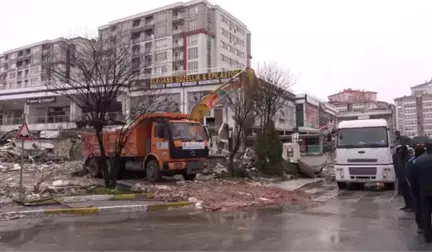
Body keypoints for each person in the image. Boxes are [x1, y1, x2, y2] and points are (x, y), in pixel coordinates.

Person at [406, 143, 426, 234]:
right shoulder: (424, 160)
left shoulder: (411, 161)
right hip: (425, 189)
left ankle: (421, 226)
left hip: (415, 189)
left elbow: (408, 176)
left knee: (418, 209)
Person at [415, 141, 432, 243]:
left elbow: (414, 178)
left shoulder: (419, 160)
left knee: (426, 214)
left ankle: (428, 236)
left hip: (424, 192)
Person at [398, 145, 414, 212]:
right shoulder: (401, 158)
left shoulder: (409, 158)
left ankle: (412, 206)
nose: (401, 152)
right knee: (404, 193)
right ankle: (407, 205)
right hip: (402, 178)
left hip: (407, 179)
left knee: (409, 193)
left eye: (402, 150)